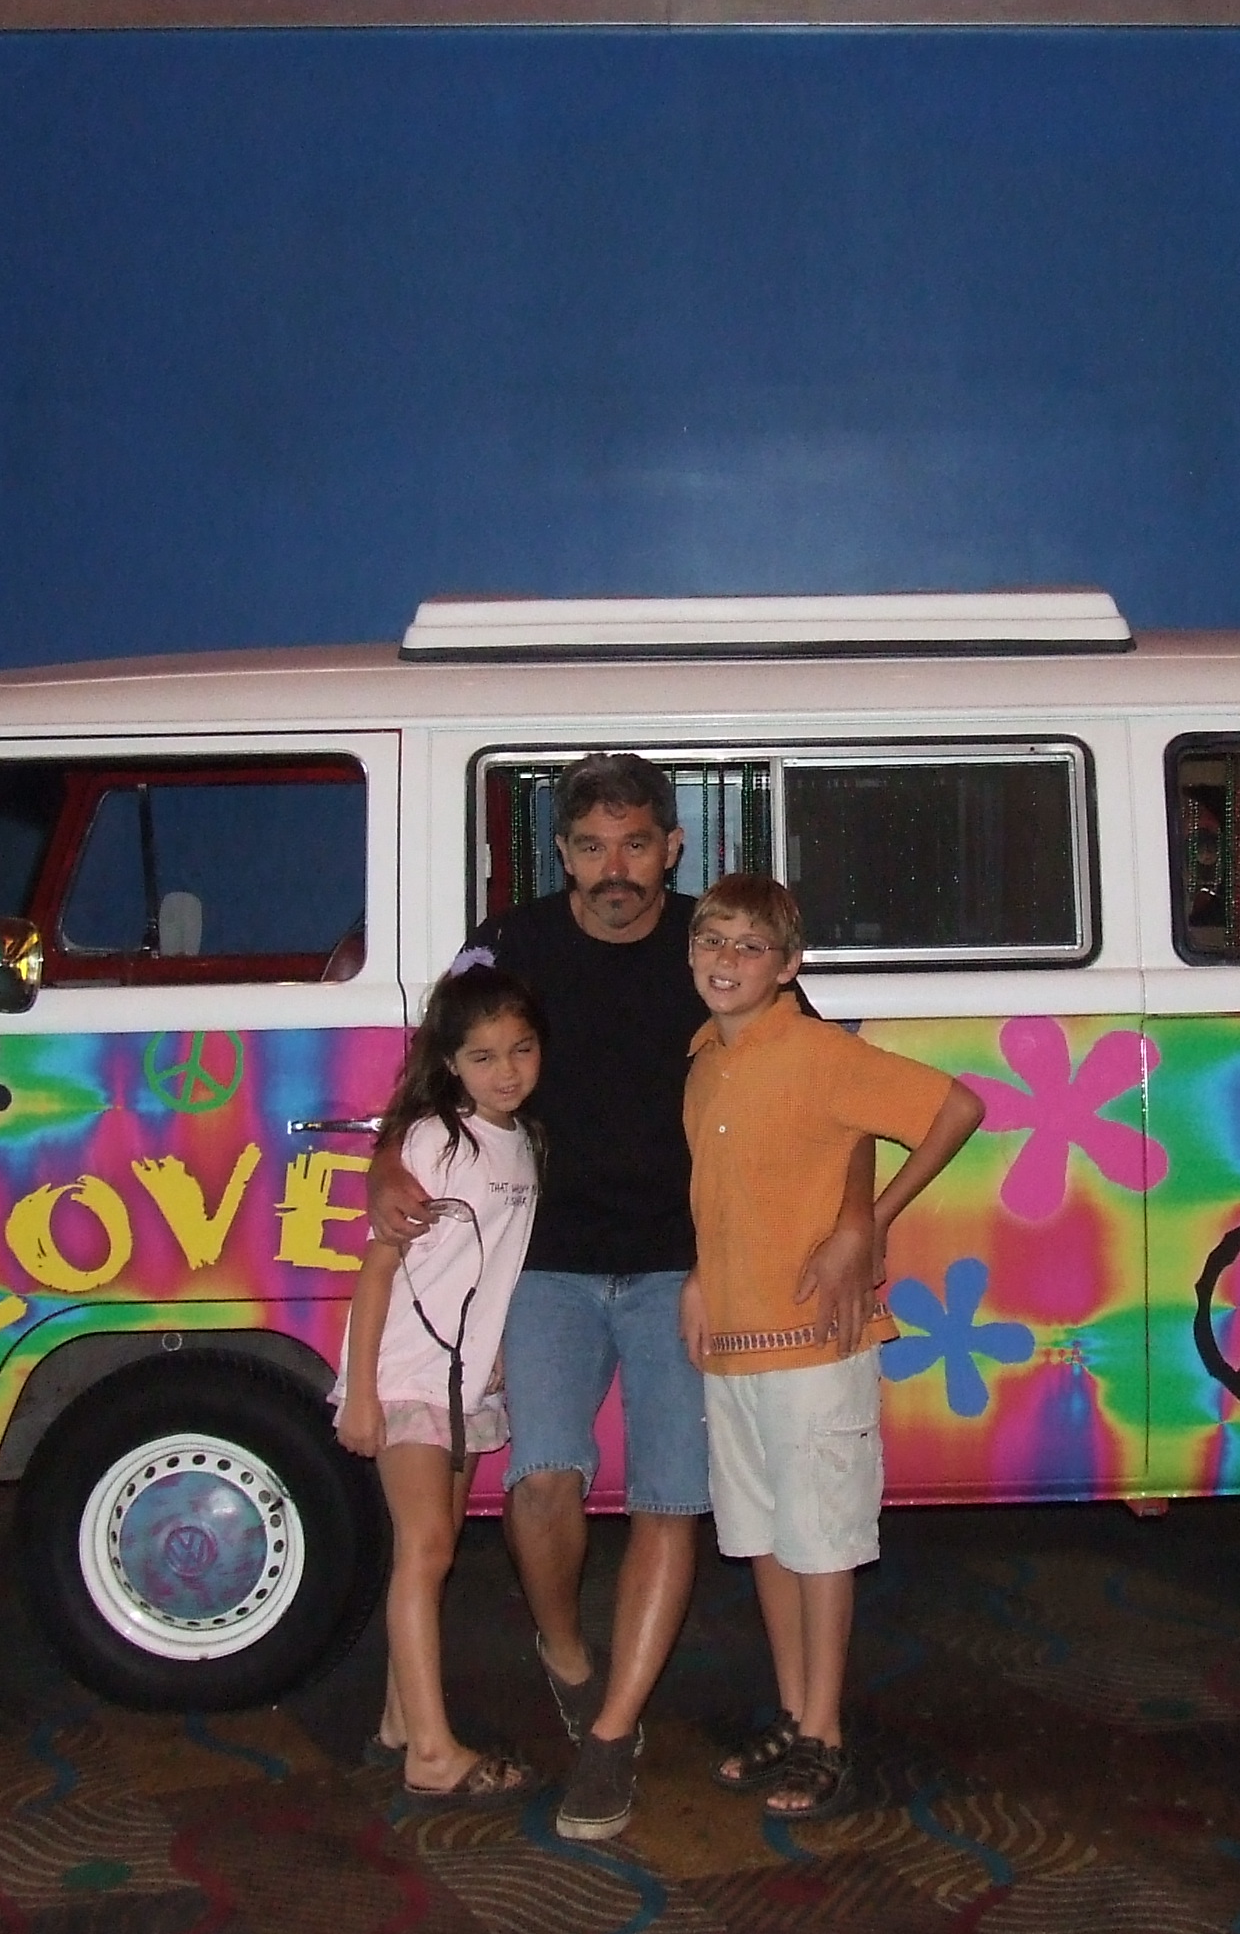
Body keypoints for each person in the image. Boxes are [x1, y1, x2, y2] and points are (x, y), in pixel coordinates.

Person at [369, 753, 878, 1841]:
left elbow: (840, 1084)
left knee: (669, 1502)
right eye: (593, 847)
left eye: (637, 844)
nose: (616, 868)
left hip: (680, 1278)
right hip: (546, 1269)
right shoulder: (509, 942)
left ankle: (611, 1734)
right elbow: (431, 1061)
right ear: (563, 853)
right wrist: (382, 1165)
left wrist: (855, 1224)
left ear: (672, 847)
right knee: (542, 1485)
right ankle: (565, 1651)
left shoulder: (716, 948)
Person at [677, 873, 984, 1820]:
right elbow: (720, 1194)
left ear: (788, 966)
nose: (728, 961)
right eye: (712, 941)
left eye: (750, 947)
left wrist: (874, 1221)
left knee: (821, 1543)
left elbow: (957, 1109)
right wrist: (698, 1278)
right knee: (763, 1537)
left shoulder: (817, 1052)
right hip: (733, 1343)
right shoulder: (702, 1061)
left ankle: (826, 1731)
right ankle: (792, 1710)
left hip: (814, 1343)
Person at [333, 964, 545, 1804]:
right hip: (407, 1375)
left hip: (464, 1384)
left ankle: (398, 1722)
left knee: (433, 1550)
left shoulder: (521, 1141)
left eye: (521, 1050)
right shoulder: (435, 1140)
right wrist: (360, 1392)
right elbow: (379, 1269)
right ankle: (430, 1752)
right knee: (426, 1550)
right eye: (484, 1056)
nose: (506, 1071)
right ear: (451, 1063)